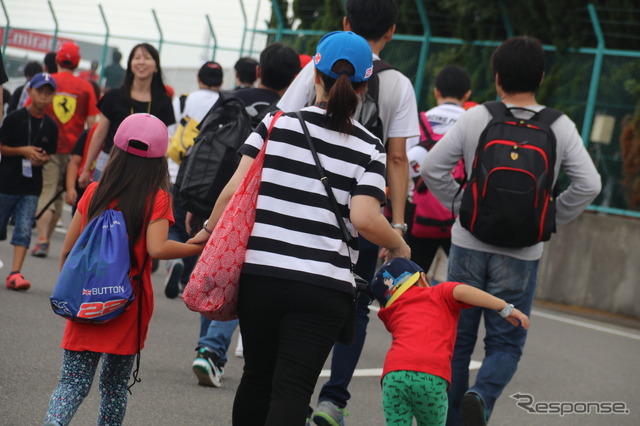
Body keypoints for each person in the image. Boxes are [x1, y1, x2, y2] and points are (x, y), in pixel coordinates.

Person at [188, 31, 410, 426]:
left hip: (262, 277)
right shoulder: (370, 146)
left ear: (315, 77)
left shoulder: (275, 125)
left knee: (256, 378)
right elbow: (363, 217)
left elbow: (234, 190)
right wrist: (399, 242)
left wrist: (208, 230)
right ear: (363, 86)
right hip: (324, 288)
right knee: (293, 389)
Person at [420, 36, 602, 425]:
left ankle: (450, 419)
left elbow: (433, 167)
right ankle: (481, 395)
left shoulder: (477, 116)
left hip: (468, 244)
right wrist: (549, 219)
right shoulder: (559, 126)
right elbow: (590, 184)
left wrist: (461, 206)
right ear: (541, 77)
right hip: (522, 253)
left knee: (458, 341)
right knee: (505, 343)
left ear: (497, 77)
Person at [278, 1, 419, 423]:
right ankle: (333, 400)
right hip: (365, 210)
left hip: (306, 200)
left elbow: (281, 122)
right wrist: (394, 225)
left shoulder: (316, 68)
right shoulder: (398, 84)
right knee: (355, 303)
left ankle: (292, 395)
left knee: (297, 292)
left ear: (344, 23)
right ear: (391, 32)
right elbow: (397, 159)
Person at [43, 113, 204, 426]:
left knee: (72, 383)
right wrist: (198, 246)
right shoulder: (157, 198)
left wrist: (76, 291)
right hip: (127, 306)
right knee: (114, 388)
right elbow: (158, 248)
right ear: (159, 161)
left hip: (86, 301)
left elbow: (68, 249)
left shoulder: (94, 192)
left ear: (115, 152)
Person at [190, 43, 301, 388]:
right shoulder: (288, 112)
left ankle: (205, 347)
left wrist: (198, 206)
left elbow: (200, 146)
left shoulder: (230, 99)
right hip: (259, 207)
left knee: (215, 266)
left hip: (217, 196)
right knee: (236, 275)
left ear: (257, 71)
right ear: (296, 77)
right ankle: (211, 351)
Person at [371, 258, 529, 426]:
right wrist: (503, 307)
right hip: (431, 377)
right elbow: (462, 290)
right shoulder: (439, 292)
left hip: (394, 376)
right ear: (423, 278)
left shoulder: (390, 310)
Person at [31, 42, 100, 259]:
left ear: (58, 59)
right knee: (62, 195)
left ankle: (43, 240)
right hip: (75, 151)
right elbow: (92, 123)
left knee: (48, 191)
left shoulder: (48, 82)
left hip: (47, 146)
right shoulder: (86, 87)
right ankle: (46, 239)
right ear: (78, 62)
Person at [163, 61, 224, 299]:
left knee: (176, 225)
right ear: (220, 82)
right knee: (200, 228)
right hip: (209, 179)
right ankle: (188, 278)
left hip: (177, 172)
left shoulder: (182, 101)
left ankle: (174, 261)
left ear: (199, 79)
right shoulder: (225, 102)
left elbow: (170, 133)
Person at [79, 43, 175, 187]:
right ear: (130, 64)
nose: (141, 62)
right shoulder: (113, 96)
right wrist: (86, 169)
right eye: (137, 58)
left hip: (145, 171)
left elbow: (164, 142)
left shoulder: (163, 102)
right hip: (109, 165)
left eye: (147, 58)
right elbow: (100, 133)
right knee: (101, 209)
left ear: (156, 67)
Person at [406, 65, 471, 271]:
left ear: (436, 91)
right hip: (461, 217)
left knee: (412, 282)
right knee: (461, 285)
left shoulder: (418, 122)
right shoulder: (474, 124)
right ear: (467, 94)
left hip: (418, 215)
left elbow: (401, 165)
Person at [0, 73, 58, 290]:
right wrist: (23, 151)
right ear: (30, 91)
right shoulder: (14, 118)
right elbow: (2, 146)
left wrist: (41, 158)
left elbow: (50, 153)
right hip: (6, 182)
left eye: (48, 93)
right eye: (39, 91)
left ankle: (15, 273)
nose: (43, 97)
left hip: (32, 186)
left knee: (24, 228)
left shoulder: (51, 126)